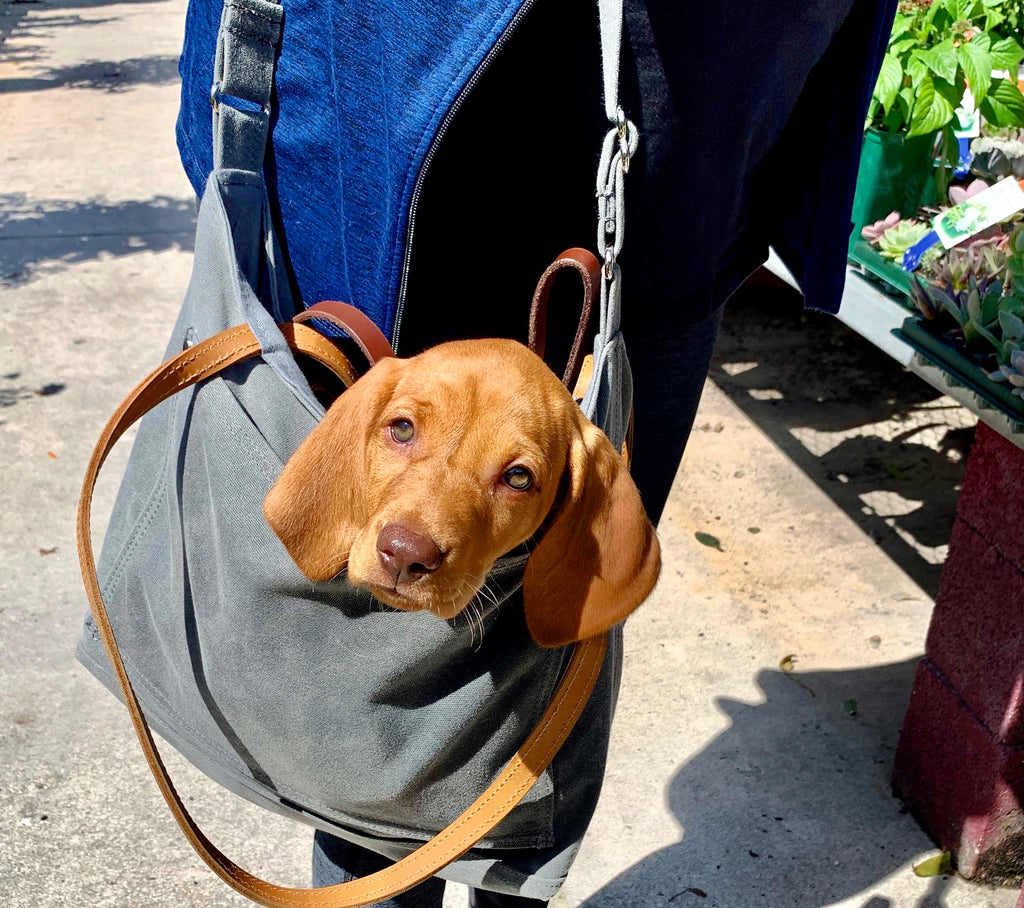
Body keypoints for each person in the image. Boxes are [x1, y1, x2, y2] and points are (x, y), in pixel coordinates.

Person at [172, 0, 898, 904]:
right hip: (385, 119)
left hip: (678, 145)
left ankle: (507, 876)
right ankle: (373, 863)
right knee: (367, 721)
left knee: (541, 678)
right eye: (399, 429)